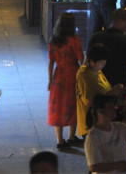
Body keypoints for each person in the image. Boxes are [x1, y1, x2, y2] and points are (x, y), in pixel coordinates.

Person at [84, 93, 126, 173]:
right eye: (110, 107)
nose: (114, 109)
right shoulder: (93, 137)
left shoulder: (119, 127)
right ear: (100, 111)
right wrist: (118, 165)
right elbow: (94, 166)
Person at [47, 13, 83, 150]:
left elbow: (50, 62)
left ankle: (60, 140)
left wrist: (50, 80)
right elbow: (81, 58)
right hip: (73, 74)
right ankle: (71, 137)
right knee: (73, 104)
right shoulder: (75, 40)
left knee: (58, 106)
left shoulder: (54, 40)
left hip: (58, 76)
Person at [75, 44, 125, 138]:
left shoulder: (97, 71)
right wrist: (113, 92)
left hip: (104, 121)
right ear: (91, 61)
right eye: (101, 63)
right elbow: (91, 102)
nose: (103, 65)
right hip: (92, 123)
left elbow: (105, 90)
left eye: (104, 63)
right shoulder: (83, 74)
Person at [88, 8, 126, 93]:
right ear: (120, 21)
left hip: (98, 84)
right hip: (119, 86)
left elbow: (86, 63)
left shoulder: (96, 37)